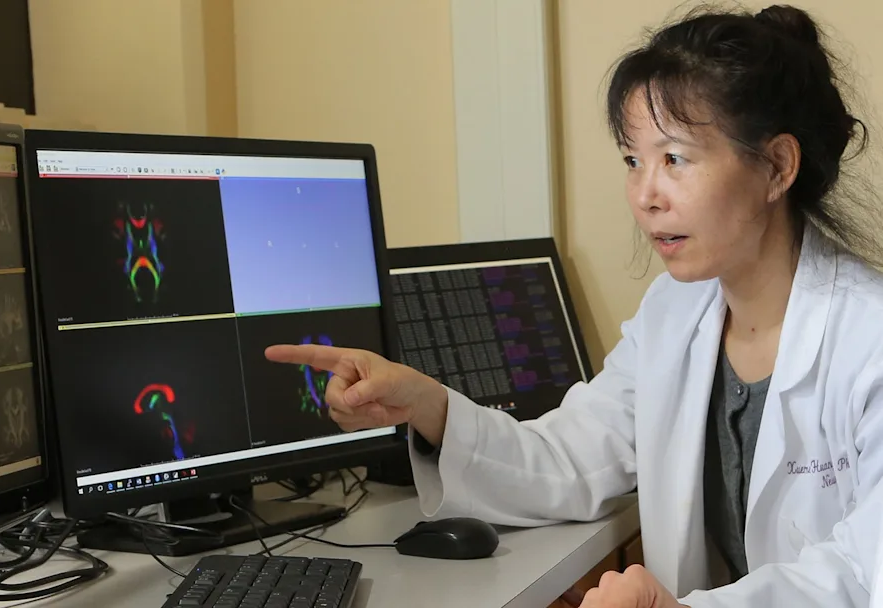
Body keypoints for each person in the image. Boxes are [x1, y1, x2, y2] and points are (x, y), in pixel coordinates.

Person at [266, 4, 883, 607]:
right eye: (632, 160)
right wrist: (427, 406)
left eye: (674, 158)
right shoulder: (676, 311)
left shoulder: (869, 338)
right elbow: (570, 459)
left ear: (777, 165)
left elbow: (865, 573)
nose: (644, 195)